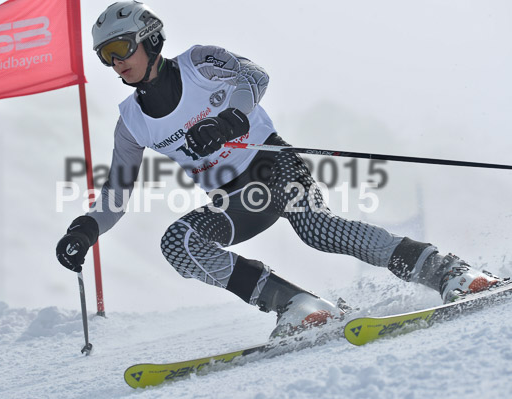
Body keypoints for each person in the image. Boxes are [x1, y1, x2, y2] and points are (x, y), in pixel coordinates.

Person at [56, 1, 506, 336]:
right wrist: (84, 230)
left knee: (314, 227)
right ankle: (298, 305)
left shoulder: (198, 63)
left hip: (272, 163)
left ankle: (447, 271)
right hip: (236, 198)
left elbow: (255, 77)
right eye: (105, 56)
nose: (115, 62)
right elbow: (116, 195)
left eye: (119, 47)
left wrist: (228, 120)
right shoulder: (131, 124)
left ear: (149, 39)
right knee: (181, 243)